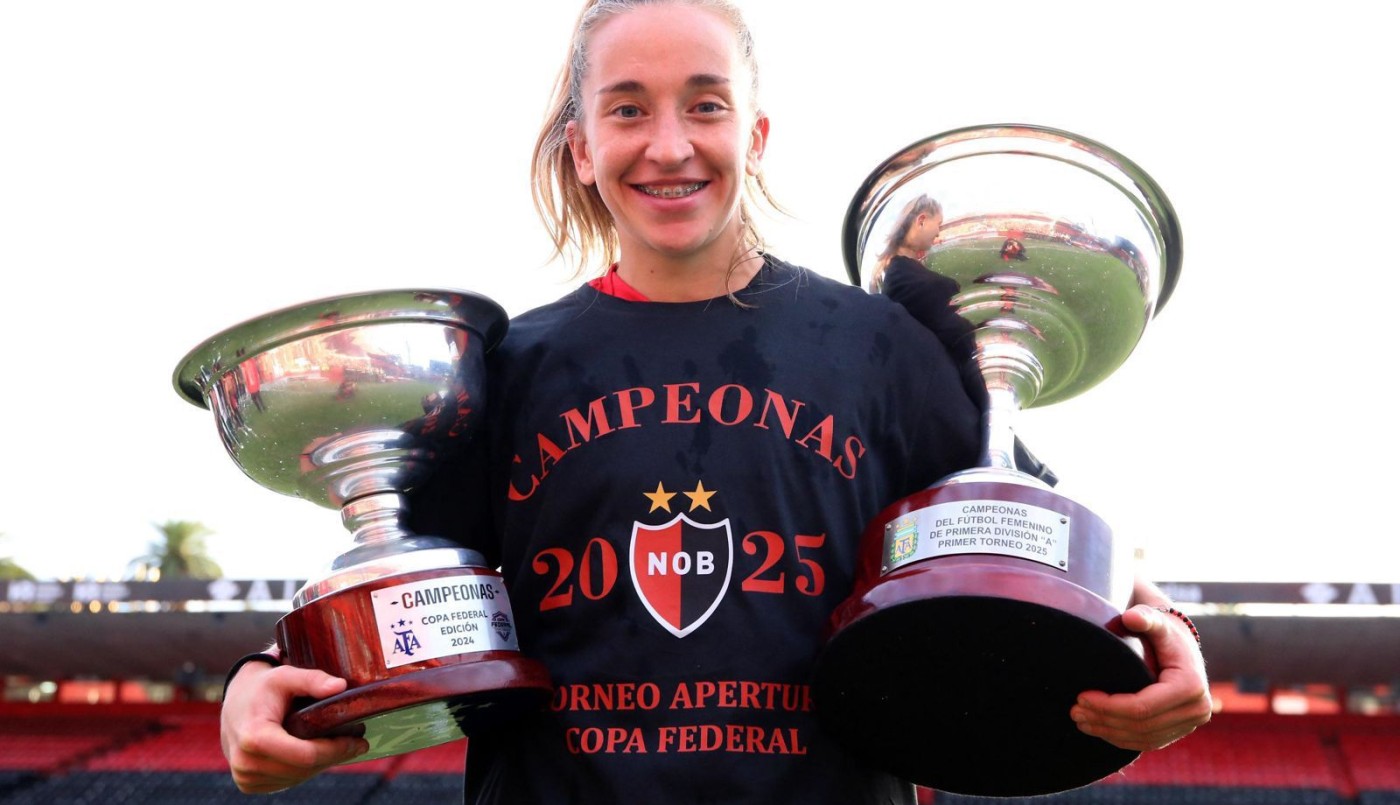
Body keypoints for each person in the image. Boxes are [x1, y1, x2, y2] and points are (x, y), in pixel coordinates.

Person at [218, 1, 1211, 802]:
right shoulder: (504, 368)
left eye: (703, 104)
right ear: (578, 145)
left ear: (755, 131)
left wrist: (1163, 639)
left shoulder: (881, 347)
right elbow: (394, 600)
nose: (667, 145)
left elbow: (1033, 555)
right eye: (625, 108)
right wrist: (253, 685)